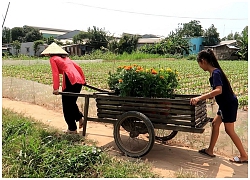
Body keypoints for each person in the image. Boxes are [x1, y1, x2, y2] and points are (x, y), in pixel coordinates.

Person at [190, 49, 248, 164]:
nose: (200, 67)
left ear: (203, 61)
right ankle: (210, 150)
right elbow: (218, 91)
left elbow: (218, 90)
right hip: (225, 104)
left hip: (228, 105)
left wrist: (200, 98)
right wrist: (211, 96)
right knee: (215, 124)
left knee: (229, 130)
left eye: (199, 64)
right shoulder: (214, 73)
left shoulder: (216, 73)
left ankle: (244, 155)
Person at [41, 42, 86, 134]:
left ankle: (72, 129)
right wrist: (83, 80)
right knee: (71, 103)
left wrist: (56, 88)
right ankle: (79, 118)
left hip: (70, 81)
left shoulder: (53, 59)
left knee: (67, 105)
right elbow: (79, 68)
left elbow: (55, 73)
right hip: (78, 81)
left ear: (50, 53)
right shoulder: (66, 58)